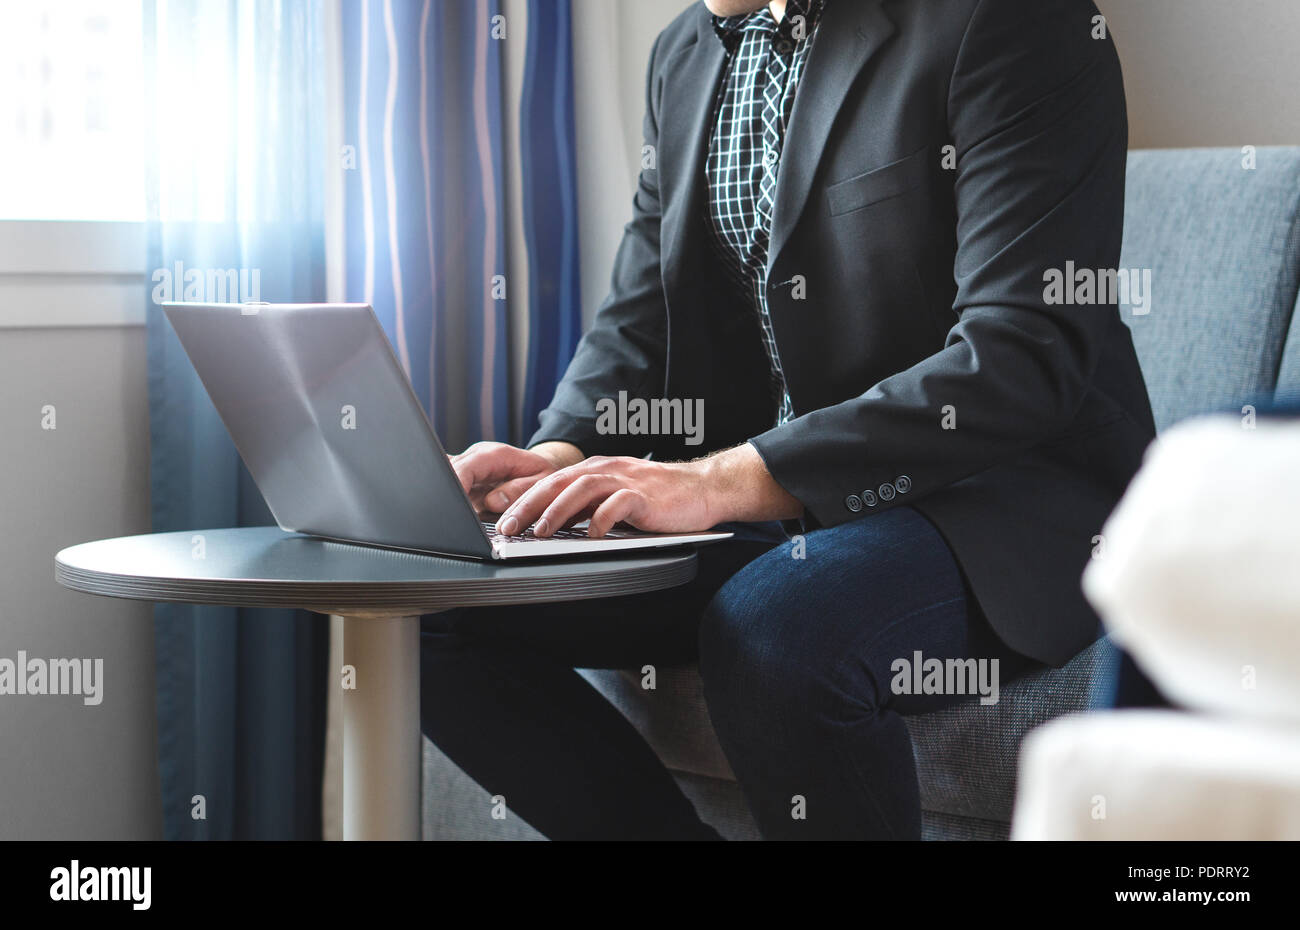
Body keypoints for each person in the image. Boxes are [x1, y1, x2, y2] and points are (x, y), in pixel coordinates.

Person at [421, 0, 1156, 839]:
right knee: (439, 606)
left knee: (777, 632)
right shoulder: (687, 50)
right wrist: (555, 455)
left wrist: (717, 481)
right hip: (781, 497)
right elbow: (643, 316)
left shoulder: (1012, 20)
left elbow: (1021, 352)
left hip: (1004, 500)